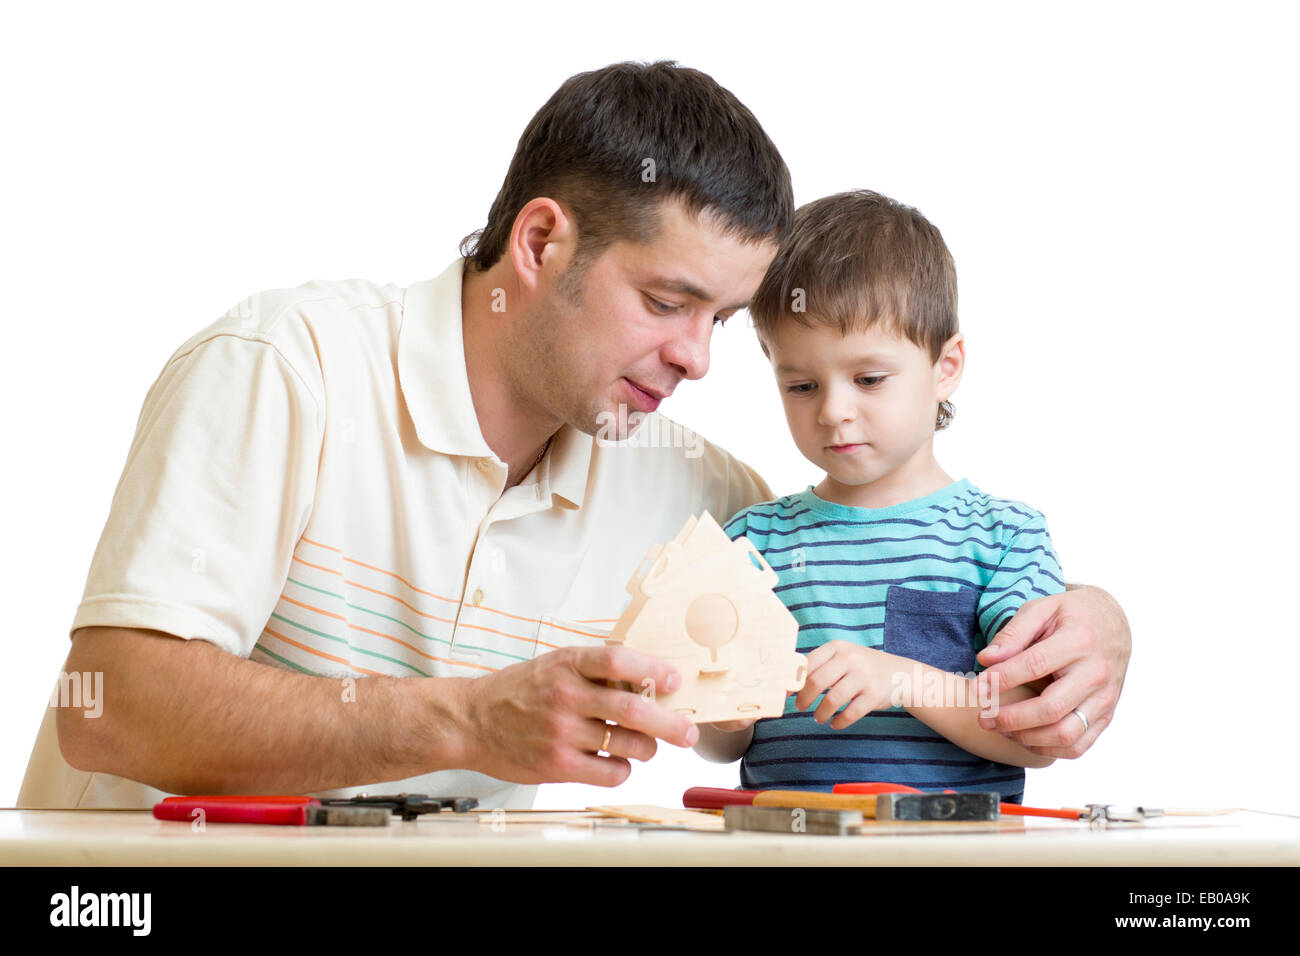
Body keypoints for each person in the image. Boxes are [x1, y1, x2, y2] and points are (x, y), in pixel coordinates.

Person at [23, 63, 1129, 811]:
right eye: (666, 301)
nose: (699, 358)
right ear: (541, 242)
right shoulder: (288, 366)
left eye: (722, 321)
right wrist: (462, 718)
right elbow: (109, 706)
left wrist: (1096, 623)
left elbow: (858, 540)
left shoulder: (692, 485)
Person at [695, 190, 1082, 800]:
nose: (833, 411)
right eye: (800, 385)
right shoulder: (752, 540)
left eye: (869, 379)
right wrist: (725, 715)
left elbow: (1030, 726)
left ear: (946, 366)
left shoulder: (1003, 538)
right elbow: (721, 744)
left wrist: (901, 680)